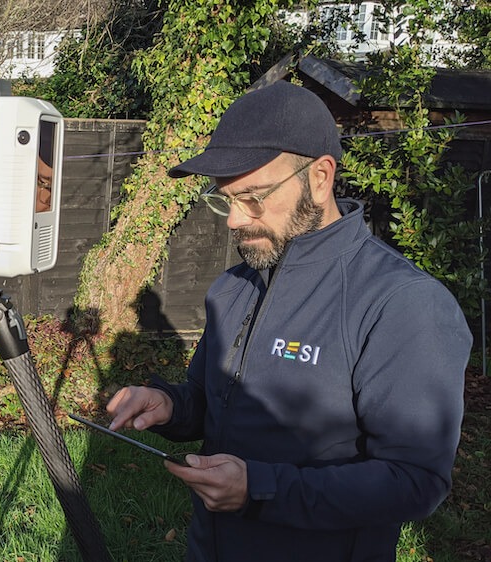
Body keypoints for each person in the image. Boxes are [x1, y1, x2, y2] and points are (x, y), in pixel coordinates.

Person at [105, 81, 472, 562]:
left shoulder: (402, 302)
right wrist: (170, 405)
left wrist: (259, 489)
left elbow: (415, 480)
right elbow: (211, 402)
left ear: (320, 178)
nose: (234, 220)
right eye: (225, 198)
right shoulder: (233, 286)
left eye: (253, 196)